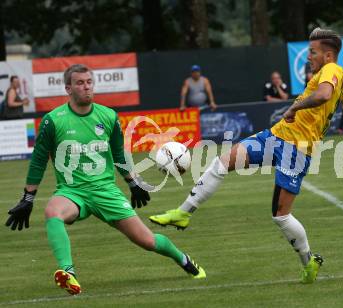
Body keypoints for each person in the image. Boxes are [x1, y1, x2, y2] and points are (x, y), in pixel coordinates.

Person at [149, 28, 343, 284]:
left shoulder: (333, 71)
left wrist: (295, 105)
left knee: (281, 216)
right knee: (223, 162)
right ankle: (183, 213)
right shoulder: (338, 78)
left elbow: (325, 95)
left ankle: (309, 261)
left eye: (312, 52)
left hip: (298, 150)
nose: (308, 57)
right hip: (276, 136)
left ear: (328, 55)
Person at [5, 64, 205, 296]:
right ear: (68, 88)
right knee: (52, 211)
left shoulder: (109, 116)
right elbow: (39, 160)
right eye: (80, 83)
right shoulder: (53, 120)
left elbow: (119, 155)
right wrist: (28, 198)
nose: (86, 87)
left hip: (106, 191)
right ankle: (69, 272)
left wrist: (132, 183)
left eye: (89, 82)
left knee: (147, 241)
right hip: (72, 192)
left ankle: (183, 259)